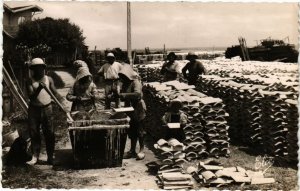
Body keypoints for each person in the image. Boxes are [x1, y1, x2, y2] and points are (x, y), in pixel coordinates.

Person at [26, 58, 64, 165]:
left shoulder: (49, 79)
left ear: (43, 68)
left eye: (41, 68)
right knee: (34, 132)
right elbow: (31, 97)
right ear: (33, 69)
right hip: (34, 109)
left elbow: (55, 93)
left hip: (47, 108)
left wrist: (62, 103)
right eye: (37, 68)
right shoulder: (29, 81)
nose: (39, 70)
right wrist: (38, 88)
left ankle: (50, 157)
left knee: (49, 133)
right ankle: (35, 157)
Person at [117, 64, 147, 160]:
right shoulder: (126, 83)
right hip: (129, 107)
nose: (122, 78)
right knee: (132, 130)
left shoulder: (136, 82)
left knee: (140, 129)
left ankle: (142, 149)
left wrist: (124, 95)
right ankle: (132, 150)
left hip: (138, 107)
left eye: (124, 76)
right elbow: (123, 93)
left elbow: (137, 94)